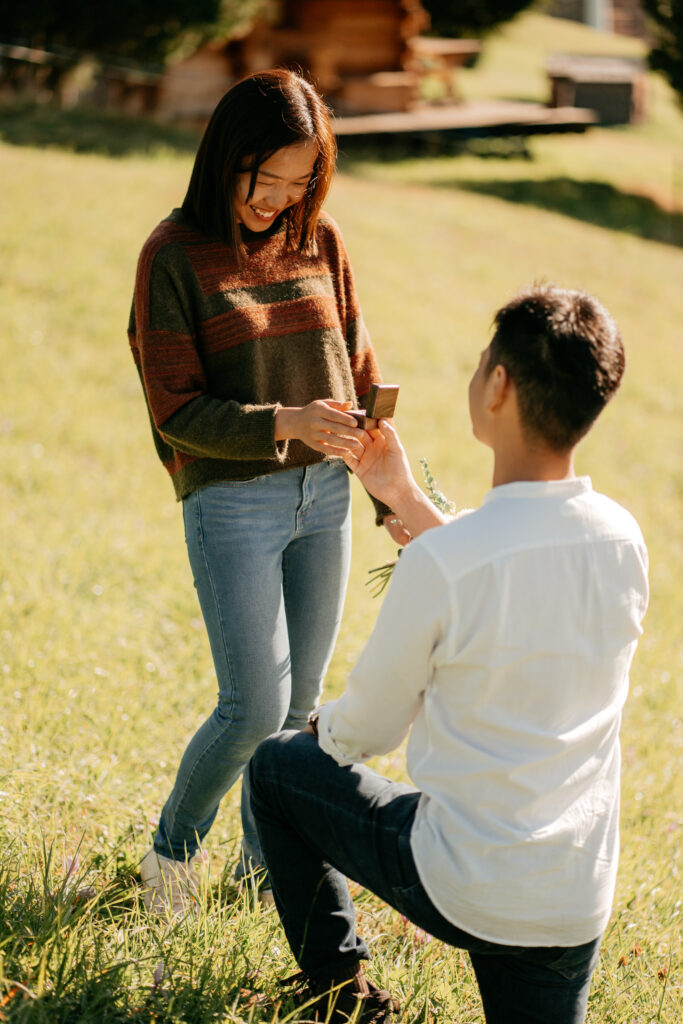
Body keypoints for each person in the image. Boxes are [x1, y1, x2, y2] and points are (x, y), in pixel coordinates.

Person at [248, 285, 649, 1024]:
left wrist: (319, 731)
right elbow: (508, 578)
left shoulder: (450, 565)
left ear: (497, 384)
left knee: (277, 768)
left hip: (464, 880)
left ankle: (340, 993)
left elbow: (362, 732)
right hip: (571, 898)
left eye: (478, 364)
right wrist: (401, 493)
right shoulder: (622, 539)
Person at [128, 69, 405, 918]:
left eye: (298, 183)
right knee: (251, 706)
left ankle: (263, 880)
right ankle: (169, 855)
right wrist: (284, 418)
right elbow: (176, 411)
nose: (278, 200)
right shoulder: (172, 255)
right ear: (225, 159)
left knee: (298, 714)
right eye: (264, 179)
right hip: (231, 503)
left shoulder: (320, 240)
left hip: (324, 496)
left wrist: (384, 483)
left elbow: (357, 363)